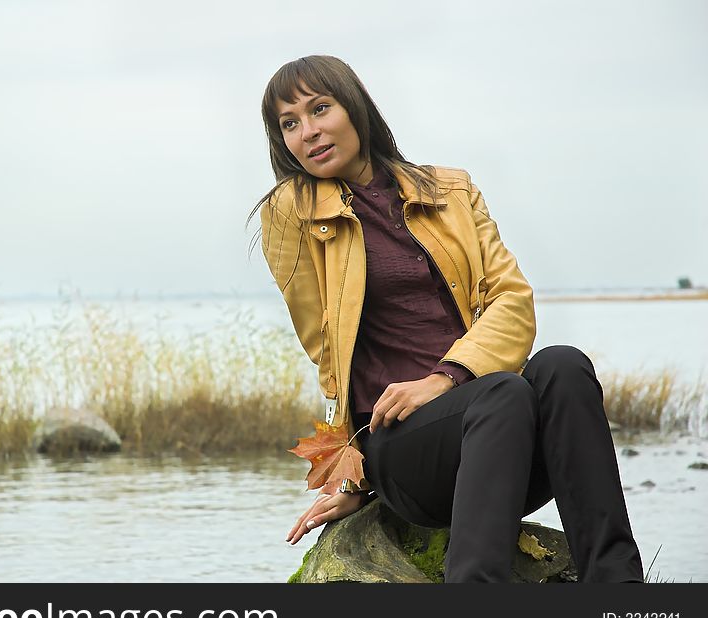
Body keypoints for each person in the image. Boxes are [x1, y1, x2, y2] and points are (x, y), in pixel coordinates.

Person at [248, 55, 644, 582]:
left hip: (503, 439)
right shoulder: (293, 212)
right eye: (289, 123)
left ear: (355, 107)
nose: (308, 132)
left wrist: (446, 379)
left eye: (320, 108)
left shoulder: (451, 192)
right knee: (504, 392)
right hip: (408, 450)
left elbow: (511, 299)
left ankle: (618, 590)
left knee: (563, 367)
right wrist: (352, 476)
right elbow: (325, 347)